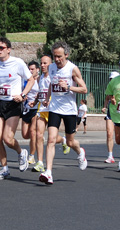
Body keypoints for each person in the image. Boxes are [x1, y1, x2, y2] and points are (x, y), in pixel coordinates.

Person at [39, 41, 88, 185]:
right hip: (54, 108)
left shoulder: (73, 69)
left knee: (71, 141)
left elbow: (84, 89)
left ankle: (80, 153)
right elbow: (51, 84)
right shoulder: (51, 67)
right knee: (51, 139)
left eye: (59, 56)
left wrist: (69, 87)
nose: (57, 59)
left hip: (69, 110)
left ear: (66, 55)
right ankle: (48, 172)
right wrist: (48, 98)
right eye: (55, 56)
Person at [0, 37, 35, 180]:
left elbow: (31, 80)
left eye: (2, 48)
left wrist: (23, 95)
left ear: (8, 49)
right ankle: (4, 168)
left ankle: (21, 153)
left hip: (13, 103)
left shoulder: (18, 63)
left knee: (8, 138)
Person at [32, 54, 69, 173]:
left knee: (50, 138)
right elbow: (40, 92)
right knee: (39, 135)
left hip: (53, 109)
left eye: (45, 63)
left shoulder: (54, 76)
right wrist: (35, 101)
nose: (42, 65)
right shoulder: (40, 77)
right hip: (42, 109)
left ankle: (63, 140)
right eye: (41, 63)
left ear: (51, 64)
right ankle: (40, 162)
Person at [21, 61, 40, 165]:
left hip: (37, 109)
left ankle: (31, 156)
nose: (30, 71)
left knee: (33, 132)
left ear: (37, 69)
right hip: (26, 109)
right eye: (29, 69)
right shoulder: (25, 80)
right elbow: (21, 92)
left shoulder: (40, 80)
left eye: (32, 69)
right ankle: (37, 138)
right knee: (25, 135)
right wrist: (23, 97)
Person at [102, 71, 120, 164]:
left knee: (119, 139)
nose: (112, 81)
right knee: (109, 134)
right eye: (110, 79)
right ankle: (110, 156)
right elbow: (107, 98)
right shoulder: (109, 88)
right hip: (110, 113)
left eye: (113, 79)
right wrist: (105, 106)